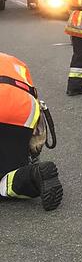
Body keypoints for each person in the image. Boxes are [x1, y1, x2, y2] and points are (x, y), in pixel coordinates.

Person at [0, 53, 62, 211]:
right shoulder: (12, 60)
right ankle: (34, 173)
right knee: (12, 170)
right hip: (23, 110)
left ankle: (31, 177)